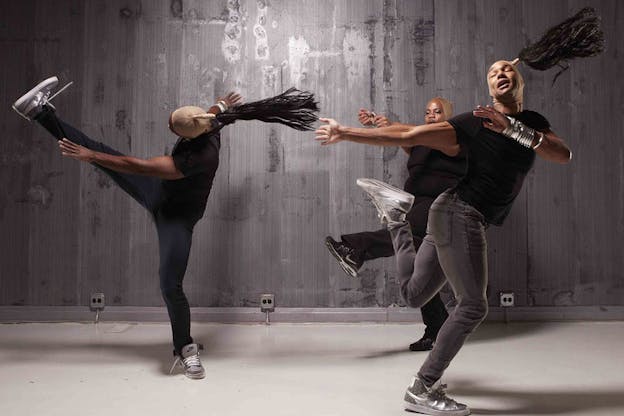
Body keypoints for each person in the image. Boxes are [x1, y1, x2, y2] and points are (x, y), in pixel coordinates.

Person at [13, 77, 318, 380]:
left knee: (170, 284)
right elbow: (214, 110)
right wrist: (223, 103)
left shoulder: (199, 157)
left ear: (188, 133)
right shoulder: (210, 122)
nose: (170, 128)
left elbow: (137, 166)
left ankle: (186, 350)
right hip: (158, 191)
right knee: (100, 150)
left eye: (172, 126)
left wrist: (91, 157)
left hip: (177, 218)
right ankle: (39, 113)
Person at [315, 60, 571, 415]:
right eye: (494, 71)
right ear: (489, 84)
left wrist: (515, 128)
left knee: (414, 294)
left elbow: (562, 154)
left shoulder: (533, 123)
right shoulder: (477, 121)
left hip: (452, 213)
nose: (501, 73)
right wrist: (346, 132)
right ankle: (423, 387)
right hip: (460, 212)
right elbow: (409, 136)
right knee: (474, 305)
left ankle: (396, 220)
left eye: (507, 70)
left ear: (519, 80)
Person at [325, 98, 466, 351]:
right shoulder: (420, 143)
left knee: (407, 234)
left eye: (438, 111)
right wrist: (380, 126)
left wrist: (392, 126)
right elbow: (402, 138)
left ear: (448, 115)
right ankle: (437, 329)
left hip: (440, 205)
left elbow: (409, 133)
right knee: (417, 269)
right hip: (416, 204)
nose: (431, 115)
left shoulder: (450, 139)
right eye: (427, 111)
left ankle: (355, 249)